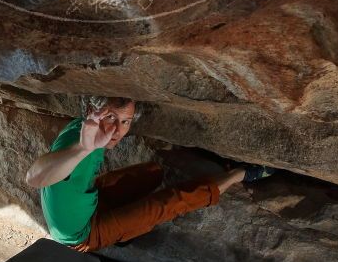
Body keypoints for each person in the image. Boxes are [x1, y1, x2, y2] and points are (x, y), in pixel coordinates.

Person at [25, 96, 274, 252]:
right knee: (169, 202)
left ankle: (126, 230)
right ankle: (240, 173)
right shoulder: (80, 143)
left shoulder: (85, 126)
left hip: (90, 201)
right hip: (81, 235)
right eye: (111, 117)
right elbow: (34, 178)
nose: (117, 130)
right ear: (92, 109)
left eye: (126, 121)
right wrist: (82, 149)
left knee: (151, 172)